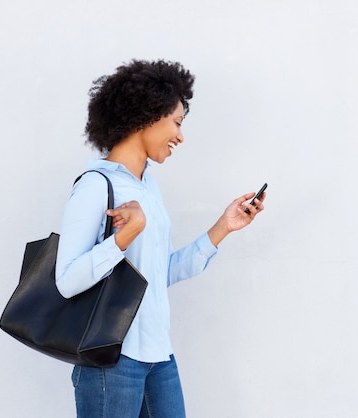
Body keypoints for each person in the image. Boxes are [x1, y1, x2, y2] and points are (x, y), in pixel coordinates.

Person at [54, 59, 266, 418]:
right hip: (111, 359)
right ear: (146, 116)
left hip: (158, 356)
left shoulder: (147, 187)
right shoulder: (94, 186)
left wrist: (223, 227)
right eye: (177, 123)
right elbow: (67, 281)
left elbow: (159, 273)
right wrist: (124, 238)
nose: (181, 137)